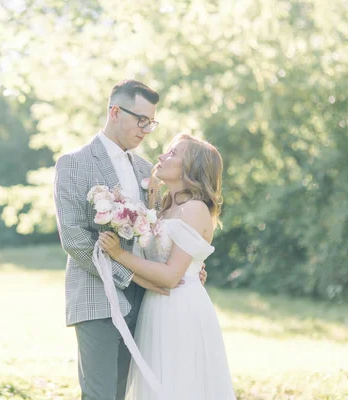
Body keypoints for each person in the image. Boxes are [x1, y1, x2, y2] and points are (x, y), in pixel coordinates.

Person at [53, 80, 207, 399]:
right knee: (100, 395)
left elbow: (157, 234)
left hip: (145, 304)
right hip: (97, 298)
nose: (146, 129)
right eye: (141, 120)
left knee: (126, 393)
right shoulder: (74, 163)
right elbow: (74, 239)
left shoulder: (148, 171)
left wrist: (189, 267)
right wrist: (130, 276)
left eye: (151, 122)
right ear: (115, 112)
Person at [99, 133, 236, 399]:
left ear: (191, 168)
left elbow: (172, 276)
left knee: (179, 383)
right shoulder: (165, 208)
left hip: (179, 307)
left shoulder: (195, 208)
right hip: (156, 306)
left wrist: (118, 254)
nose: (161, 156)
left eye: (172, 154)